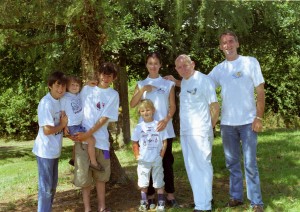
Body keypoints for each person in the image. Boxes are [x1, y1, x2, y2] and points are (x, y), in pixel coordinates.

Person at [208, 30, 265, 212]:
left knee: (250, 163)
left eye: (231, 41)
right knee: (232, 163)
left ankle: (256, 202)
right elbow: (200, 83)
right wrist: (179, 81)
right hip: (227, 124)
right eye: (224, 43)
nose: (228, 45)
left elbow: (261, 91)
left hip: (249, 122)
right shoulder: (219, 69)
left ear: (237, 43)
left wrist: (259, 117)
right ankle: (236, 197)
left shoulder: (250, 62)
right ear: (220, 47)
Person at [130, 52, 178, 209]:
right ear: (146, 65)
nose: (153, 66)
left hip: (164, 130)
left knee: (166, 162)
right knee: (147, 162)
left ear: (160, 65)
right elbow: (132, 104)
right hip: (146, 132)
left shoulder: (167, 83)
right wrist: (143, 88)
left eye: (156, 63)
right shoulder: (141, 83)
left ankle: (169, 194)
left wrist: (166, 119)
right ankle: (150, 196)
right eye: (150, 63)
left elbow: (172, 106)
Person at [171, 54, 220, 212]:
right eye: (179, 67)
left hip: (200, 132)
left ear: (193, 63)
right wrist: (174, 81)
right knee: (191, 167)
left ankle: (203, 206)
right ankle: (204, 199)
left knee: (202, 167)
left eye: (185, 65)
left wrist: (209, 127)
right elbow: (186, 86)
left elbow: (215, 106)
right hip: (186, 132)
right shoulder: (185, 81)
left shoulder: (204, 80)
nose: (183, 69)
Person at [73, 62, 120, 212]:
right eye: (104, 74)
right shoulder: (87, 89)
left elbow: (104, 118)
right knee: (85, 179)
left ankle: (102, 208)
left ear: (113, 78)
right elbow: (73, 100)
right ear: (99, 74)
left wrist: (89, 133)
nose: (106, 78)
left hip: (102, 143)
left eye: (110, 75)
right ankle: (87, 209)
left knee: (101, 178)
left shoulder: (113, 94)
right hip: (82, 141)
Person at [32, 71, 68, 212]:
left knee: (52, 187)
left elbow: (76, 92)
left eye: (63, 87)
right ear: (50, 86)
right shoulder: (46, 103)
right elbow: (47, 130)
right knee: (45, 189)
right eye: (57, 86)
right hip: (44, 151)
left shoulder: (60, 101)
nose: (60, 90)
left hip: (54, 151)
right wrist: (62, 125)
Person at [61, 75, 104, 171]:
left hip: (78, 124)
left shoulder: (78, 95)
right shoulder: (65, 97)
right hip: (72, 126)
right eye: (72, 85)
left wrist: (87, 84)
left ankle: (73, 159)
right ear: (67, 86)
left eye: (77, 85)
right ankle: (93, 163)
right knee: (91, 141)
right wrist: (64, 126)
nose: (74, 87)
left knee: (77, 141)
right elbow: (62, 113)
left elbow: (82, 90)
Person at [131, 99, 168, 212]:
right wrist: (137, 155)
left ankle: (161, 203)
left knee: (159, 180)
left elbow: (165, 141)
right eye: (142, 111)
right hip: (143, 160)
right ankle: (144, 202)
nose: (145, 112)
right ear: (139, 112)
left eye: (147, 110)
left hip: (156, 158)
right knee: (143, 182)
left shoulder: (159, 124)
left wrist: (161, 155)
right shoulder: (138, 127)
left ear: (153, 110)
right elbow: (134, 142)